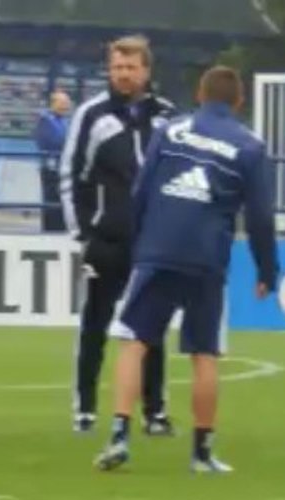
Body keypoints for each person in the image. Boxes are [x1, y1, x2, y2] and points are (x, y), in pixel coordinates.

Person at [94, 65, 277, 473]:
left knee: (134, 341)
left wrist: (138, 246)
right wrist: (267, 268)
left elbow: (141, 190)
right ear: (239, 101)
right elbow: (260, 216)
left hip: (158, 248)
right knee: (204, 351)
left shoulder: (170, 130)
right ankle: (202, 452)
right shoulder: (249, 145)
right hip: (206, 256)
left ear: (199, 94)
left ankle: (119, 436)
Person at [60, 35, 176, 435]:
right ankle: (85, 408)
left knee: (152, 328)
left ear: (146, 70)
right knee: (95, 323)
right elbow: (71, 175)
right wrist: (83, 234)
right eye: (116, 67)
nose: (123, 74)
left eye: (130, 67)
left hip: (154, 242)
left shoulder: (166, 116)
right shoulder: (91, 115)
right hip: (107, 240)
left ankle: (154, 411)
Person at [34, 89, 72, 232]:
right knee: (51, 200)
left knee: (63, 201)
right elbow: (55, 141)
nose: (66, 106)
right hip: (51, 168)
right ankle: (51, 230)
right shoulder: (46, 120)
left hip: (63, 167)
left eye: (67, 103)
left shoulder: (64, 121)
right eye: (62, 103)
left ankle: (61, 228)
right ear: (53, 103)